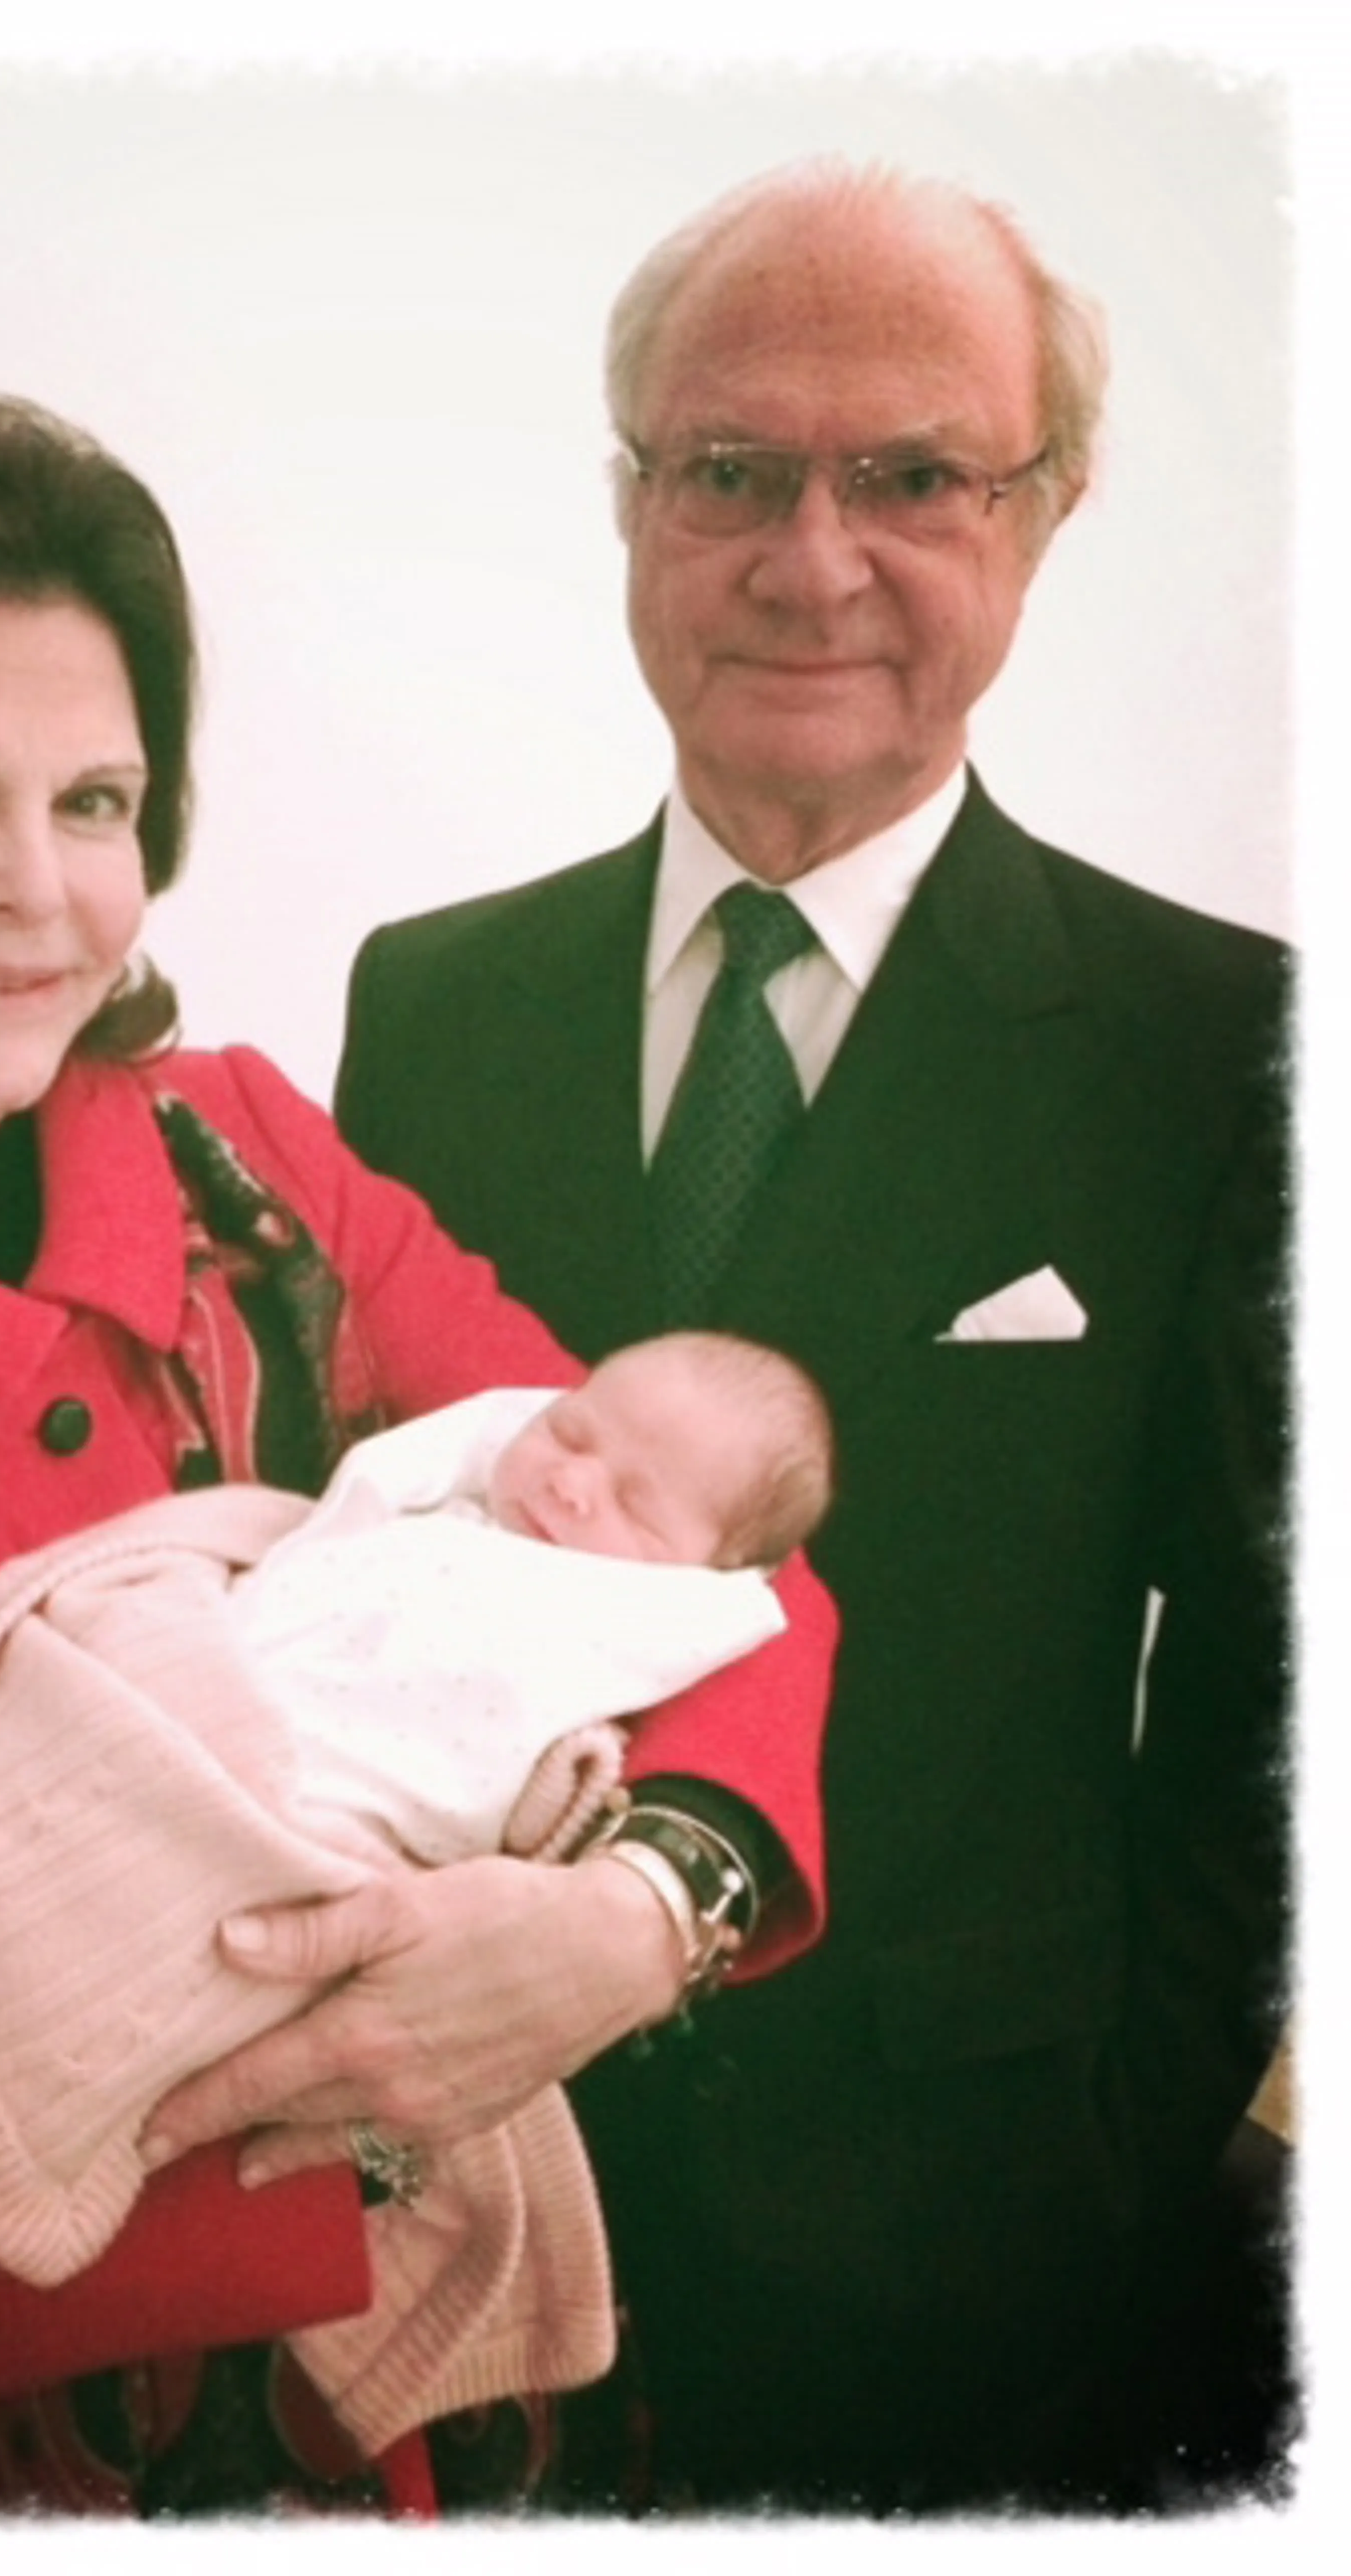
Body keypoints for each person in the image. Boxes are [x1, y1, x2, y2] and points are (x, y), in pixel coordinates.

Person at [0, 387, 838, 2519]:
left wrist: (639, 1921)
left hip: (476, 2429)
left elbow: (712, 1560)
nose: (38, 892)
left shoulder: (252, 1150)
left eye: (97, 800)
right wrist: (381, 2107)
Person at [150, 160, 1295, 2510]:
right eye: (733, 470)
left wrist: (1125, 2136)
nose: (811, 558)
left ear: (1047, 509)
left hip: (972, 2226)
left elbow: (1278, 1678)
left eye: (914, 477)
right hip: (464, 2192)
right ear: (629, 499)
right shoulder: (432, 999)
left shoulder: (1218, 1048)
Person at [0, 1331, 833, 2463]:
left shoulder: (629, 1606)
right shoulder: (469, 1497)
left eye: (633, 1504)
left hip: (308, 1902)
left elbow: (783, 1611)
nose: (574, 1480)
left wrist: (651, 1901)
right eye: (569, 1431)